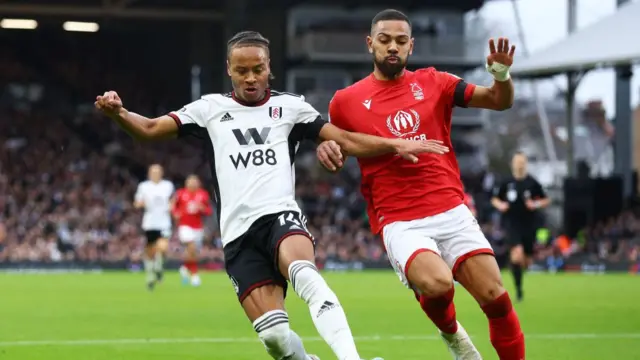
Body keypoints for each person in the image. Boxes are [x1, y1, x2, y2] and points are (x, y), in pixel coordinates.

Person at [95, 30, 447, 360]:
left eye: (258, 69)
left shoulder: (292, 108)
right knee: (275, 340)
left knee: (305, 273)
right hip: (237, 236)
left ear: (269, 69)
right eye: (242, 70)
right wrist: (120, 114)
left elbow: (343, 138)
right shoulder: (209, 109)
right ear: (229, 70)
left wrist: (394, 144)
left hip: (280, 216)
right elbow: (152, 129)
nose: (250, 78)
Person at [316, 9, 525, 360]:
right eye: (384, 40)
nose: (392, 47)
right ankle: (454, 335)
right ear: (371, 44)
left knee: (495, 295)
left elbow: (498, 101)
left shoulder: (435, 82)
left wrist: (501, 75)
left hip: (450, 207)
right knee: (439, 283)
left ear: (411, 46)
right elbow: (338, 144)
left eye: (400, 41)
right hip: (399, 218)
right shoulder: (345, 101)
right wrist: (328, 149)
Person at [491, 152, 549, 301]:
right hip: (511, 224)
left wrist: (535, 204)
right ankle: (518, 290)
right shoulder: (507, 182)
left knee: (526, 260)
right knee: (517, 256)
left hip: (529, 225)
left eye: (522, 162)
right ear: (513, 164)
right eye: (517, 162)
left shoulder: (532, 183)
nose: (520, 164)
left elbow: (546, 200)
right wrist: (501, 205)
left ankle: (520, 269)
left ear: (526, 164)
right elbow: (494, 199)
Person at [133, 164, 174, 290]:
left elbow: (173, 199)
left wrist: (172, 206)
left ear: (161, 173)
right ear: (149, 174)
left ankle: (158, 267)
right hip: (150, 223)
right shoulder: (144, 186)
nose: (155, 174)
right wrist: (140, 204)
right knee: (150, 251)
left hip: (164, 222)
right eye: (153, 172)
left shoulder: (167, 185)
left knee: (162, 247)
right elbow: (137, 203)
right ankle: (152, 274)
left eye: (158, 172)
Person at [172, 174, 212, 287]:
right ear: (186, 183)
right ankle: (195, 275)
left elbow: (209, 211)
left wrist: (202, 208)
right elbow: (173, 205)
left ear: (198, 183)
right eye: (190, 181)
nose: (192, 183)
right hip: (185, 226)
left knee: (193, 252)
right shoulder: (180, 193)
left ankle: (185, 267)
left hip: (198, 227)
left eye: (195, 181)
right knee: (192, 247)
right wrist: (175, 213)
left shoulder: (203, 194)